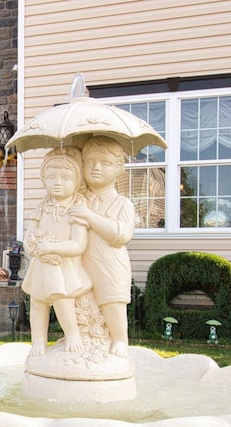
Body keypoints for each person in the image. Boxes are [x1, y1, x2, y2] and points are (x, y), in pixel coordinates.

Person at [22, 146, 92, 356]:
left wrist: (53, 247)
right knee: (37, 302)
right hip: (41, 264)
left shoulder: (77, 210)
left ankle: (72, 333)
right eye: (51, 177)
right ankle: (38, 340)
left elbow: (78, 245)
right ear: (44, 181)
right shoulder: (41, 207)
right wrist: (34, 247)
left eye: (65, 178)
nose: (58, 183)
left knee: (62, 299)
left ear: (77, 182)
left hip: (65, 267)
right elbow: (29, 236)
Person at [70, 136, 135, 358]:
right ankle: (82, 335)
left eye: (105, 163)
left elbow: (120, 235)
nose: (96, 168)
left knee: (111, 301)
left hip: (110, 264)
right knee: (79, 302)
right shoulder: (77, 199)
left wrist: (89, 216)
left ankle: (119, 339)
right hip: (81, 260)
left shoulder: (122, 204)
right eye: (91, 162)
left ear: (118, 169)